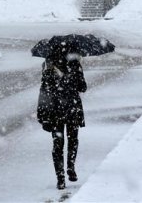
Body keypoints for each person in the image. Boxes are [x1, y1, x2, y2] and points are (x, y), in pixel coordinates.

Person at [37, 56, 87, 190]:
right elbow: (83, 87)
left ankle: (60, 178)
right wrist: (79, 72)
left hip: (55, 111)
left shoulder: (48, 67)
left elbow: (43, 93)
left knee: (57, 145)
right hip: (72, 109)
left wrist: (41, 115)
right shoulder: (75, 65)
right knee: (73, 140)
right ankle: (70, 166)